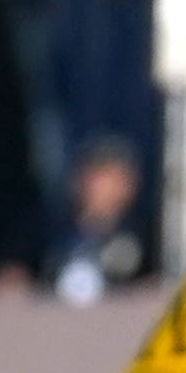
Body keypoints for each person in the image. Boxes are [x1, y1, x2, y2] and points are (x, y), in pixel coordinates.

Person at [47, 128, 154, 299]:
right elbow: (13, 278)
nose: (105, 186)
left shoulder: (149, 236)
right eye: (99, 175)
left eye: (114, 177)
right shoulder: (50, 229)